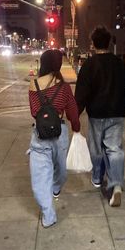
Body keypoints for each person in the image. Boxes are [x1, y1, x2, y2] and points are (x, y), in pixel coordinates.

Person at [75, 26, 125, 207]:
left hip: (97, 114)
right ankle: (116, 186)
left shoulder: (89, 65)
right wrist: (124, 109)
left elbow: (82, 92)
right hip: (116, 113)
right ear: (109, 42)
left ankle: (98, 177)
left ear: (93, 44)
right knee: (114, 149)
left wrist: (76, 113)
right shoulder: (119, 64)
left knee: (96, 148)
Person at [29, 49, 80, 228]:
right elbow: (73, 110)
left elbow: (34, 112)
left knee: (40, 178)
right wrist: (76, 127)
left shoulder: (33, 85)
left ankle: (48, 214)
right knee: (61, 171)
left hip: (39, 135)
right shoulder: (64, 87)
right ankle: (55, 189)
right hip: (60, 134)